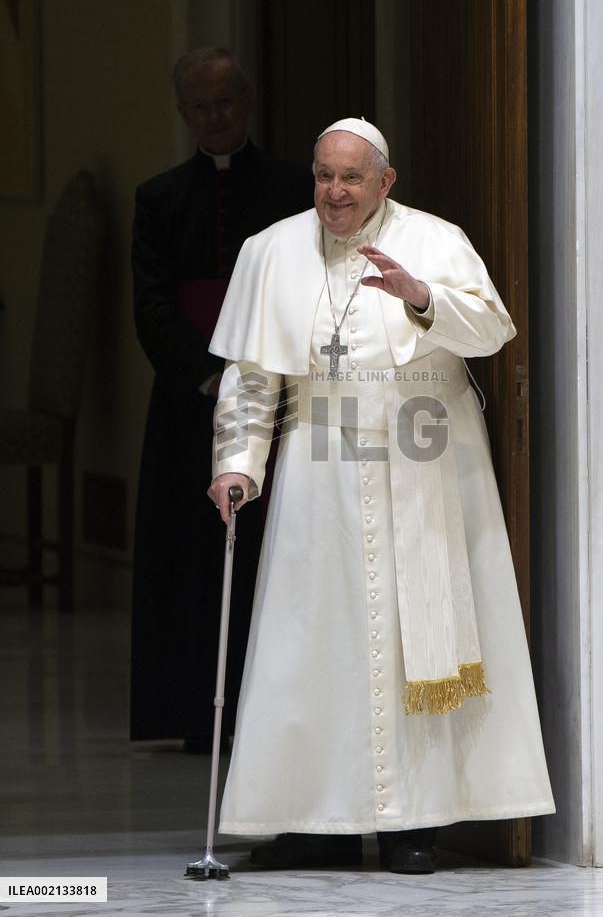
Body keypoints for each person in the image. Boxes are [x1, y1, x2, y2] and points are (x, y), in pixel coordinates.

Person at [207, 118, 554, 872]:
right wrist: (238, 461)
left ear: (384, 181)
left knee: (409, 642)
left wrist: (420, 294)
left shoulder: (435, 239)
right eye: (323, 176)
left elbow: (492, 330)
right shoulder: (269, 252)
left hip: (424, 455)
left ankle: (413, 825)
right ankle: (311, 823)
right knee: (315, 641)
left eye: (351, 178)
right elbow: (250, 374)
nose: (334, 191)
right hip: (317, 469)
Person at [130, 47, 313, 752]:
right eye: (199, 107)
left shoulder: (295, 187)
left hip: (276, 395)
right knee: (189, 555)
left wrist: (258, 378)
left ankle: (263, 711)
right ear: (183, 114)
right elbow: (150, 306)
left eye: (225, 103)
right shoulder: (158, 197)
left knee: (269, 549)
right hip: (187, 399)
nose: (213, 118)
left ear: (248, 102)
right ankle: (191, 714)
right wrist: (208, 379)